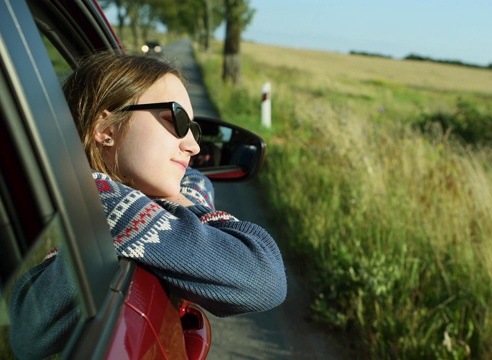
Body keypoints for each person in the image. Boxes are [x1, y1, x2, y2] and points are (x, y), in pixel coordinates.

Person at [9, 52, 287, 358]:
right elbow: (263, 273)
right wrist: (176, 198)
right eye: (176, 120)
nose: (193, 145)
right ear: (106, 129)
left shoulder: (103, 200)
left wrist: (174, 194)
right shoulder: (108, 212)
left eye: (194, 130)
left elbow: (195, 181)